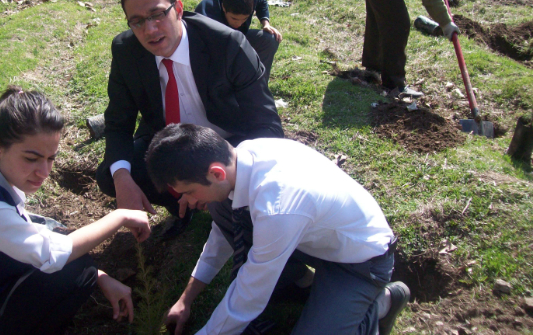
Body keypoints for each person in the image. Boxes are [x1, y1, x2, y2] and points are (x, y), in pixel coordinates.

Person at [0, 87, 151, 335]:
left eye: (50, 158)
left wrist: (100, 275)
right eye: (32, 159)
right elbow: (52, 256)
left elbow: (29, 236)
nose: (44, 172)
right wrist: (120, 216)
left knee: (71, 253)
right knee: (77, 270)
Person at [146, 124, 411, 335]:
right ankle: (305, 283)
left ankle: (383, 302)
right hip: (314, 239)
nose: (189, 202)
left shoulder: (278, 205)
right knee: (220, 209)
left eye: (190, 192)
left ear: (216, 173)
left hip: (360, 263)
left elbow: (250, 295)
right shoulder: (241, 158)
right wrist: (186, 299)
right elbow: (221, 237)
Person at [95, 0, 283, 236]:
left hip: (230, 146)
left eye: (157, 14)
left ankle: (224, 202)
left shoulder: (227, 44)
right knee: (112, 173)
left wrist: (232, 172)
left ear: (179, 9)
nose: (150, 30)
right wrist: (122, 180)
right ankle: (184, 205)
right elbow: (117, 123)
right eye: (136, 21)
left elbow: (269, 129)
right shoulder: (127, 51)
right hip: (172, 144)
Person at [195, 0, 282, 79]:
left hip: (238, 39)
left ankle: (259, 86)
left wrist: (266, 23)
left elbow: (261, 1)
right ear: (224, 8)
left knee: (269, 39)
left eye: (244, 19)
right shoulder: (206, 12)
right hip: (214, 52)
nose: (239, 24)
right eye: (234, 18)